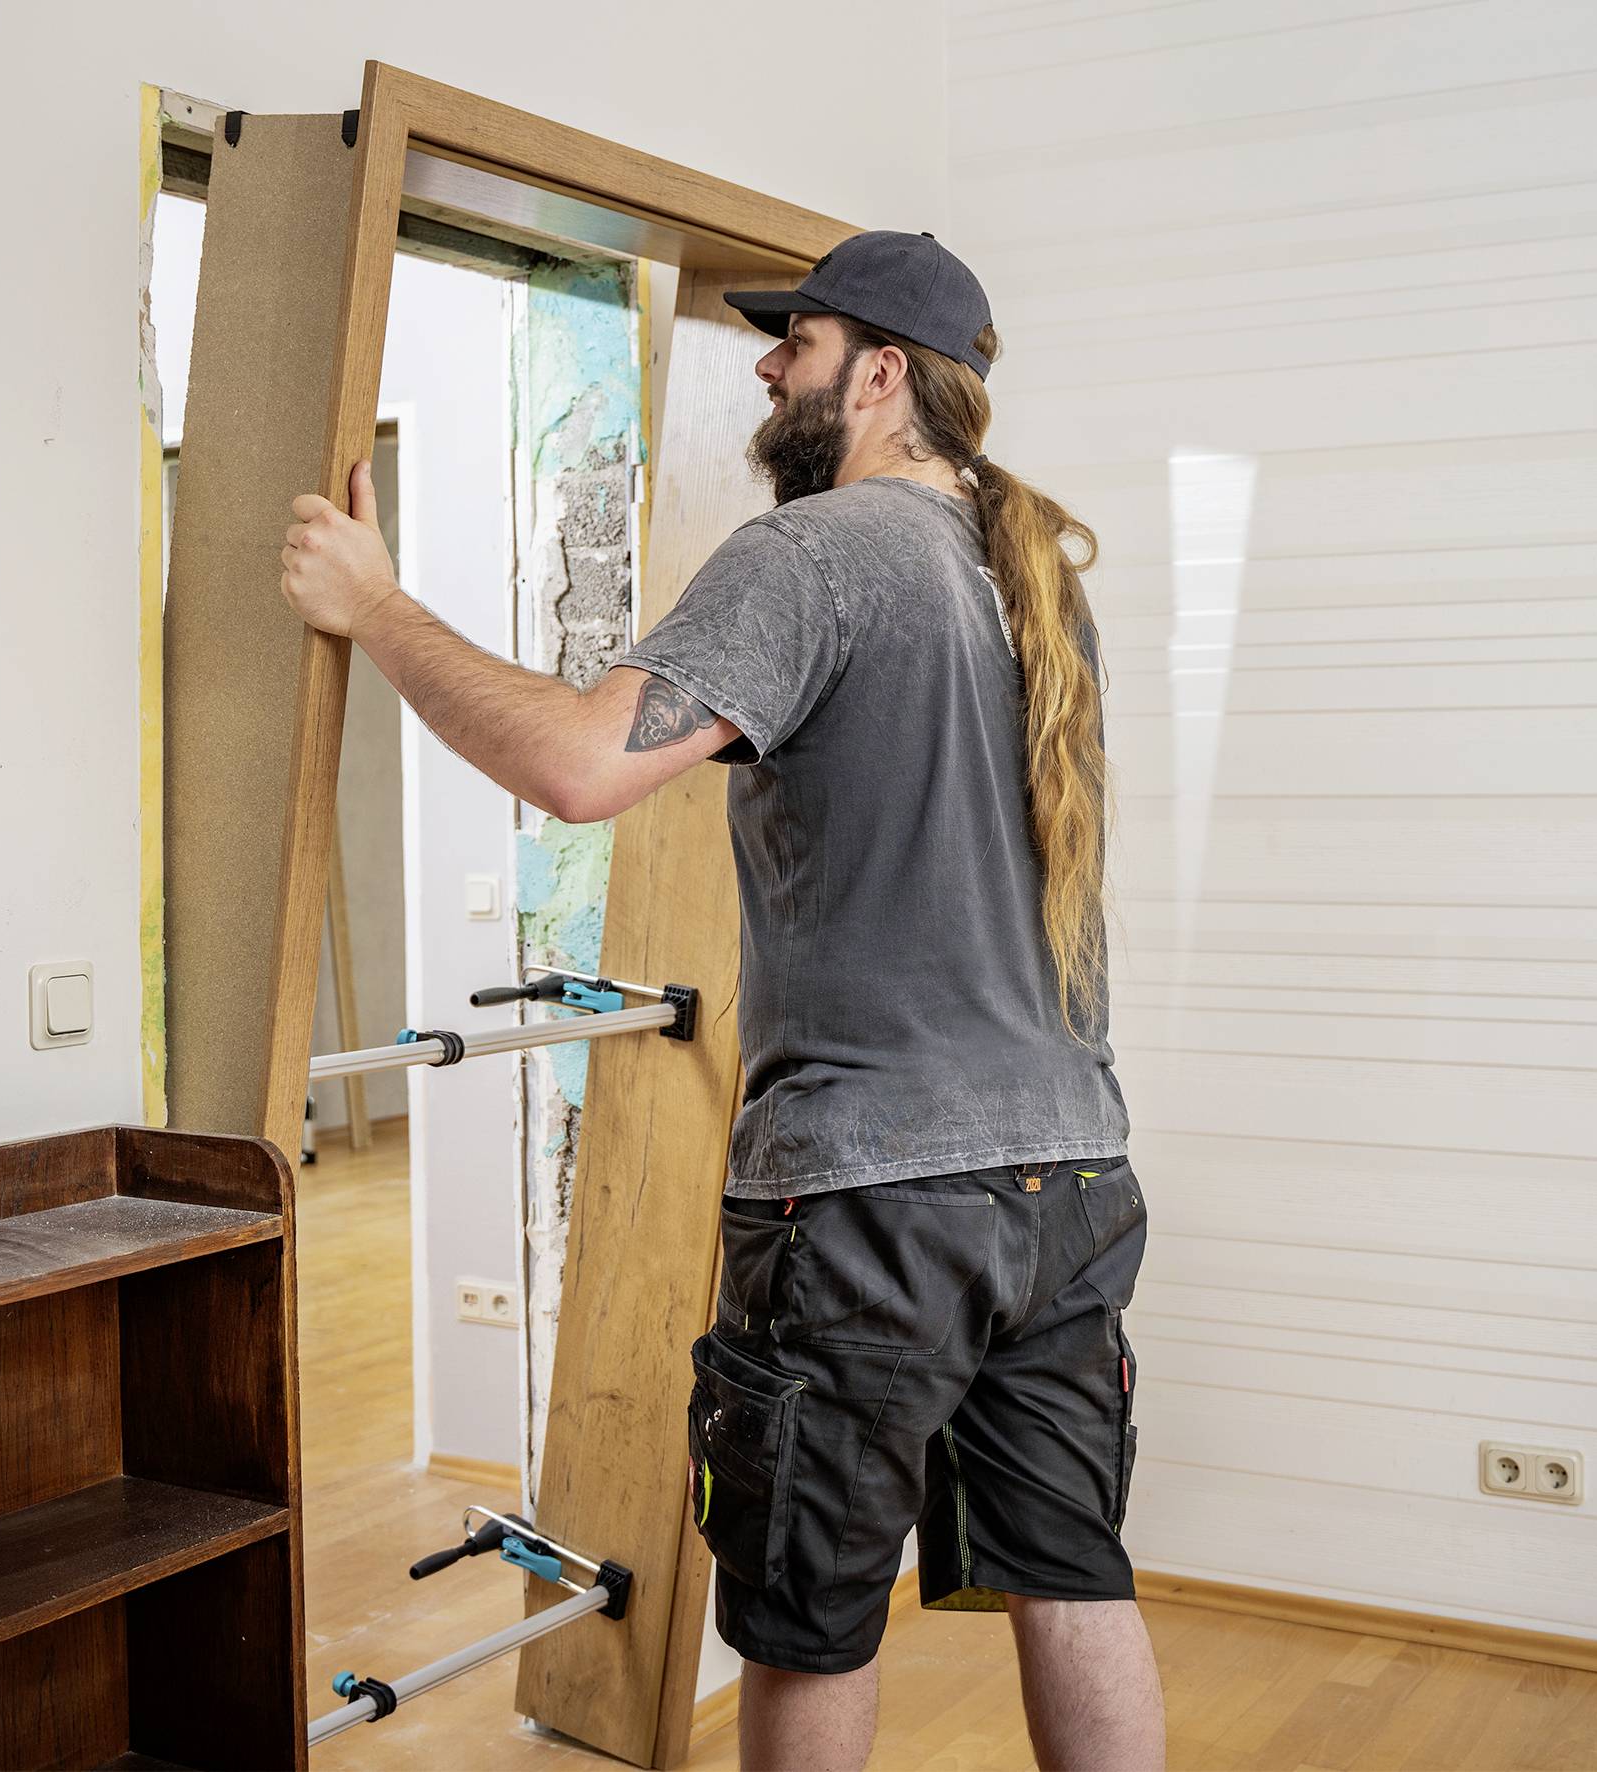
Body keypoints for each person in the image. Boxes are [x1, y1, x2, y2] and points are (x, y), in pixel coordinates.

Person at [280, 229, 1161, 1772]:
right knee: (1069, 1576)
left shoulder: (812, 554)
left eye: (798, 341)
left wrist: (378, 608)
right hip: (1072, 1181)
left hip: (875, 1203)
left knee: (806, 1622)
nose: (766, 364)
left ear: (880, 375)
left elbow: (574, 763)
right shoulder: (1023, 584)